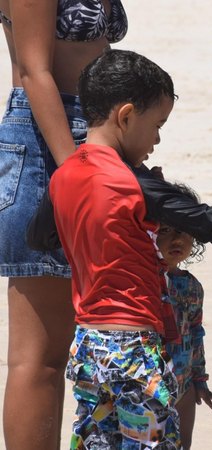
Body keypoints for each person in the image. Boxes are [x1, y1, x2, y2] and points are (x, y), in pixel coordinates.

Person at [27, 49, 212, 448]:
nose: (157, 138)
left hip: (88, 348)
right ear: (127, 115)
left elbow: (40, 238)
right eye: (157, 124)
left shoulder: (64, 177)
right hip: (134, 347)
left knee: (97, 441)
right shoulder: (133, 183)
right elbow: (208, 221)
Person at [0, 0, 127, 448]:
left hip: (93, 133)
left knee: (79, 343)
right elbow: (36, 71)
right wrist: (75, 169)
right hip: (50, 140)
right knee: (40, 356)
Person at [156, 183, 212, 449]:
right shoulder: (143, 281)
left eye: (184, 231)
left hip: (184, 385)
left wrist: (199, 380)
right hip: (149, 383)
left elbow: (196, 334)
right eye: (165, 231)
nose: (177, 239)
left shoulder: (192, 287)